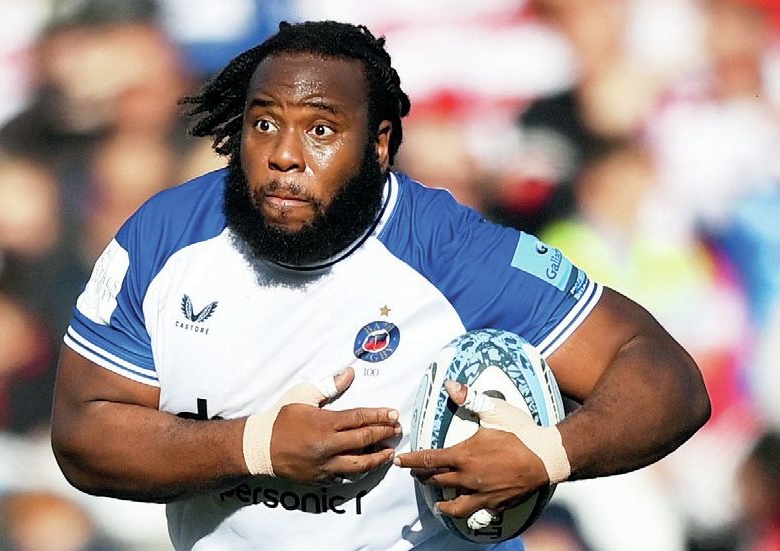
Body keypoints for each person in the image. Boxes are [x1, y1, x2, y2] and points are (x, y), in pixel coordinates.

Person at [50, 20, 711, 551]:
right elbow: (83, 435)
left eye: (320, 129)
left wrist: (549, 453)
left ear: (379, 143)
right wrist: (255, 447)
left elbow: (666, 375)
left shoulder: (452, 252)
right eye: (263, 123)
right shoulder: (164, 237)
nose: (284, 154)